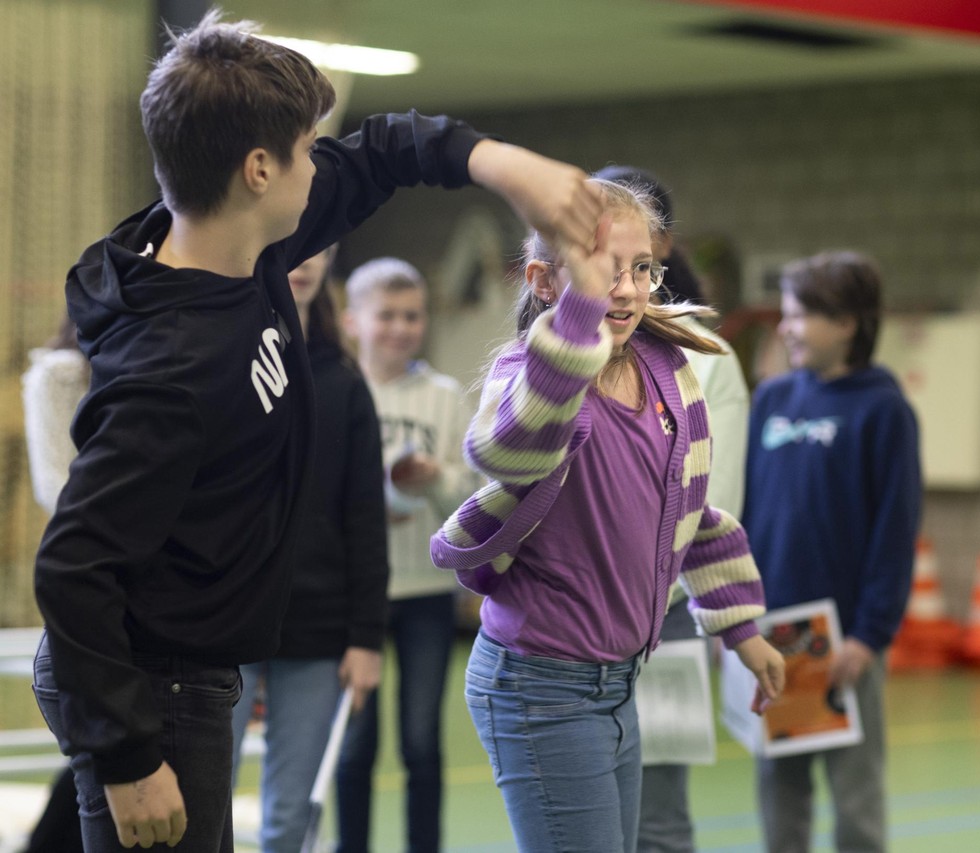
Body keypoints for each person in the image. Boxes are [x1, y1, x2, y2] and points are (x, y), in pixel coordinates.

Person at [29, 11, 603, 851]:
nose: (318, 165)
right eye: (304, 149)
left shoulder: (245, 243)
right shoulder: (174, 365)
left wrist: (507, 167)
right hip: (155, 686)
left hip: (196, 673)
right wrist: (125, 755)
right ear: (259, 169)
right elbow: (74, 565)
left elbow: (383, 153)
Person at [430, 179, 785, 853]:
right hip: (541, 682)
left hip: (620, 680)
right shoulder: (530, 377)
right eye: (601, 270)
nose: (624, 288)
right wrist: (570, 335)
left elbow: (689, 514)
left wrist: (742, 628)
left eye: (640, 268)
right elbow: (505, 450)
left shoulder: (667, 371)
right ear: (544, 279)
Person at [741, 251, 922, 853]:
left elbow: (895, 533)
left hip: (842, 637)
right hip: (777, 633)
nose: (786, 328)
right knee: (781, 795)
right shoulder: (772, 400)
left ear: (846, 323)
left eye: (800, 316)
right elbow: (745, 515)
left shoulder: (883, 410)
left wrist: (870, 635)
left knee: (855, 802)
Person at [592, 164, 749, 853]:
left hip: (668, 614)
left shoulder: (704, 359)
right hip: (572, 629)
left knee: (656, 815)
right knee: (584, 811)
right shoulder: (557, 354)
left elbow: (716, 503)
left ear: (661, 247)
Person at [228, 246, 388, 853]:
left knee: (290, 816)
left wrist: (366, 638)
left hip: (319, 629)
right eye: (294, 235)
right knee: (202, 800)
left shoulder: (343, 383)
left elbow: (364, 517)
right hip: (220, 625)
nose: (307, 254)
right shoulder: (217, 360)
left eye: (321, 240)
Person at [335, 257, 478, 853]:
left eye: (412, 316)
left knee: (421, 742)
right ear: (352, 322)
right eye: (386, 315)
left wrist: (431, 480)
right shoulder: (339, 390)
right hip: (351, 594)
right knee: (354, 744)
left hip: (424, 592)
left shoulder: (444, 397)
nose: (400, 327)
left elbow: (472, 491)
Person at [20, 318, 87, 853]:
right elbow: (59, 490)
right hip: (91, 581)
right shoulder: (59, 375)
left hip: (165, 591)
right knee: (99, 749)